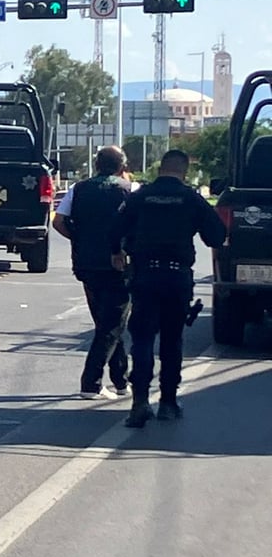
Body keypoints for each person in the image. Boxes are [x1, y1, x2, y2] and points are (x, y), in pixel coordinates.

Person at [109, 149, 227, 428]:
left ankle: (139, 401)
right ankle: (168, 403)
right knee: (172, 340)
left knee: (142, 339)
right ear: (184, 172)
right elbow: (217, 236)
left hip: (145, 274)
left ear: (160, 169)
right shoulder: (192, 199)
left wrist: (118, 252)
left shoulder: (140, 197)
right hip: (177, 277)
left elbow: (114, 230)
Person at [52, 146, 134, 400]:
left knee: (107, 320)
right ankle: (91, 382)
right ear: (122, 167)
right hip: (119, 264)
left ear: (97, 165)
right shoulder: (130, 190)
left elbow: (58, 221)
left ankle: (121, 380)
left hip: (86, 264)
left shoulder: (79, 188)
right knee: (113, 323)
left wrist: (78, 239)